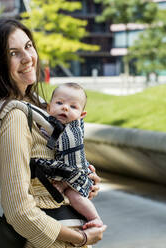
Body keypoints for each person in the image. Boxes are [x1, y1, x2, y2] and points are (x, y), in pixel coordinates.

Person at [0, 18, 107, 248]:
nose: (27, 58)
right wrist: (81, 237)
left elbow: (41, 178)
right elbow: (18, 211)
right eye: (13, 53)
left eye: (28, 46)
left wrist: (78, 181)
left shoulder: (35, 107)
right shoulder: (13, 116)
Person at [41, 83, 103, 229]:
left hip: (76, 172)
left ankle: (95, 218)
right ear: (49, 107)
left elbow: (73, 163)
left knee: (74, 196)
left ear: (81, 115)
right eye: (59, 103)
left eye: (73, 107)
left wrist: (64, 183)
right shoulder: (54, 125)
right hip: (69, 172)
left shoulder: (73, 133)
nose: (65, 108)